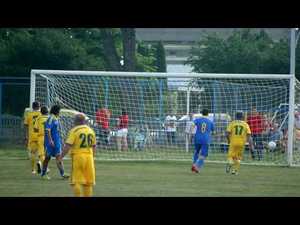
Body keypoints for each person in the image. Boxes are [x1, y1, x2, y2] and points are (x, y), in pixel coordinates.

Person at [61, 113, 96, 197]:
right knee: (88, 182)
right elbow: (94, 146)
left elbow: (68, 145)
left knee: (76, 181)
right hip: (89, 157)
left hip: (78, 156)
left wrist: (61, 156)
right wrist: (92, 157)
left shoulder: (74, 130)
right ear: (84, 121)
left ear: (75, 121)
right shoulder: (91, 130)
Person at [41, 105, 69, 180]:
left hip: (56, 141)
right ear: (56, 111)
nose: (60, 112)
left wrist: (61, 139)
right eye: (59, 111)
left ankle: (63, 173)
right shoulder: (51, 118)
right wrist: (50, 140)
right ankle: (43, 174)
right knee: (47, 158)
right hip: (50, 142)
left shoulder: (56, 118)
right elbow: (47, 130)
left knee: (58, 156)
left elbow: (56, 130)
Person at [190, 109, 214, 173]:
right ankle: (196, 166)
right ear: (208, 114)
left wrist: (191, 133)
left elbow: (192, 124)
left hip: (197, 138)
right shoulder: (210, 122)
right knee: (204, 155)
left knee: (196, 152)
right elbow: (213, 132)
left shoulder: (197, 120)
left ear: (201, 113)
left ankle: (194, 165)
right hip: (205, 139)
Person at [24, 101, 41, 174]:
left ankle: (33, 170)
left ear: (32, 107)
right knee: (41, 152)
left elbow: (26, 126)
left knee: (33, 153)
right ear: (39, 107)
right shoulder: (41, 114)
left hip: (32, 136)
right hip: (40, 135)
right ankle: (39, 162)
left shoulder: (29, 114)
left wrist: (26, 136)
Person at [33, 106, 49, 174]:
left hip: (41, 137)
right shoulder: (49, 118)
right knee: (46, 154)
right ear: (47, 112)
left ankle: (44, 167)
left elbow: (35, 129)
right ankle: (41, 164)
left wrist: (40, 129)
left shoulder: (38, 118)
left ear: (41, 112)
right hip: (49, 137)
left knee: (41, 153)